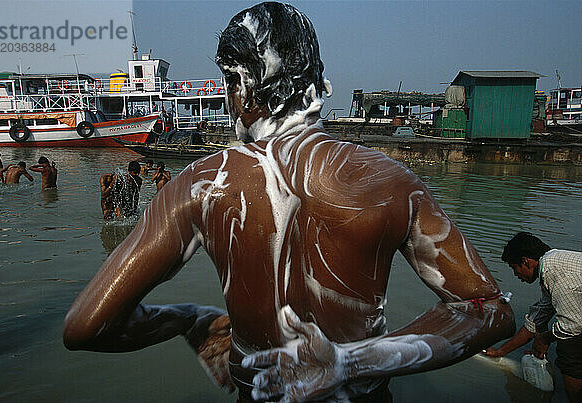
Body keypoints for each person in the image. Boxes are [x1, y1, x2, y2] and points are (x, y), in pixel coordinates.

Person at [63, 3, 515, 402]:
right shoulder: (389, 182)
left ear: (237, 89)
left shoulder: (197, 187)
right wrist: (350, 362)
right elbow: (490, 310)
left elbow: (85, 327)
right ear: (319, 84)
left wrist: (190, 320)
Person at [484, 232, 581, 402]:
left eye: (514, 268)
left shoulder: (554, 270)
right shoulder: (551, 265)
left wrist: (544, 339)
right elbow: (537, 318)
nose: (515, 274)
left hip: (573, 324)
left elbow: (571, 325)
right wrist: (501, 352)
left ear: (526, 261)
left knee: (569, 351)